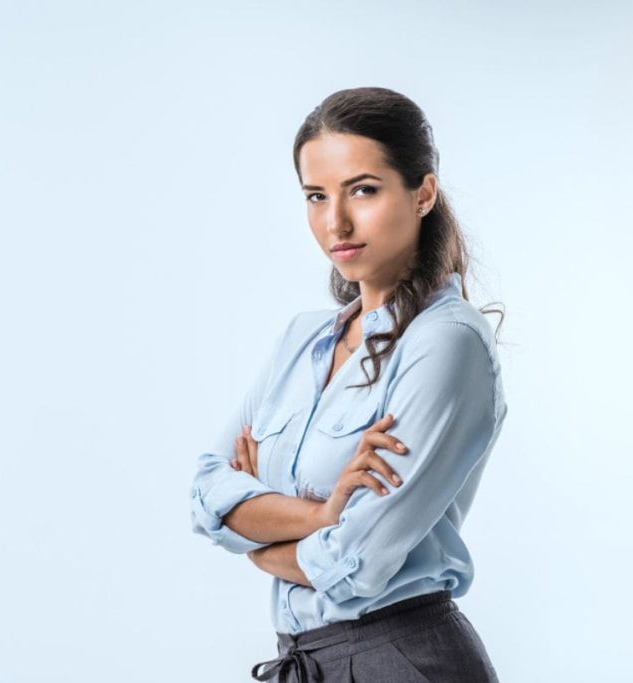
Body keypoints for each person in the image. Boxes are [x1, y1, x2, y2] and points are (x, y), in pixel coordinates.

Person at [189, 86, 508, 682]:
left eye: (362, 190)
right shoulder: (301, 341)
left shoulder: (444, 343)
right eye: (316, 196)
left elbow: (355, 561)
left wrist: (260, 539)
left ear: (423, 194)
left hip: (400, 659)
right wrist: (324, 513)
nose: (335, 221)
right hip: (305, 660)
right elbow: (207, 492)